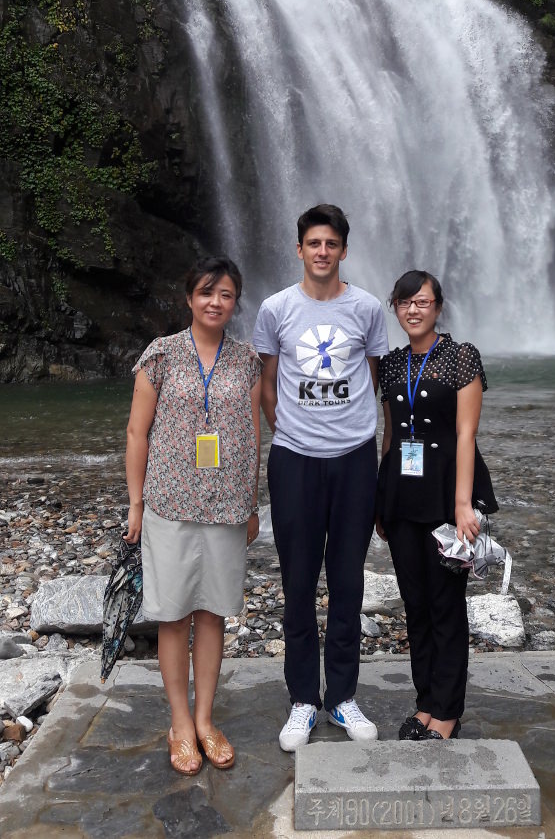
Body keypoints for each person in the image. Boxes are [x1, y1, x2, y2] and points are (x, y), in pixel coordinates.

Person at [253, 204, 389, 751]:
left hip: (355, 461)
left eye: (332, 243)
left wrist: (353, 434)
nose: (323, 252)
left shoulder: (369, 309)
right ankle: (304, 700)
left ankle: (343, 698)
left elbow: (373, 381)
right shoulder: (275, 309)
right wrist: (291, 433)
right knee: (299, 584)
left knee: (349, 584)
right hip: (295, 461)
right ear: (300, 248)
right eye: (314, 243)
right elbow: (267, 385)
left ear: (344, 250)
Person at [124, 256, 261, 775]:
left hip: (227, 506)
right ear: (189, 298)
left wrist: (251, 503)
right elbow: (137, 434)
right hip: (169, 503)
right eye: (206, 292)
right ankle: (179, 722)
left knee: (213, 613)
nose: (215, 302)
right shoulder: (160, 356)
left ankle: (205, 719)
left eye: (225, 294)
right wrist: (136, 504)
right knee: (174, 612)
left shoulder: (246, 361)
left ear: (234, 302)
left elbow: (252, 437)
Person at [376, 269, 498, 741]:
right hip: (402, 497)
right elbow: (390, 435)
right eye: (404, 302)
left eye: (422, 302)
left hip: (447, 495)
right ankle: (425, 701)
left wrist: (463, 504)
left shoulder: (461, 358)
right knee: (416, 603)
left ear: (438, 307)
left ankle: (447, 711)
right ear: (396, 308)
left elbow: (467, 434)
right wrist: (381, 501)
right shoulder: (391, 364)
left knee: (447, 605)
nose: (412, 309)